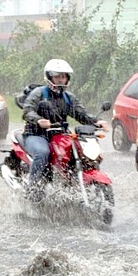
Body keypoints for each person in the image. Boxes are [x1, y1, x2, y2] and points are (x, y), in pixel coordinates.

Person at [22, 58, 108, 201]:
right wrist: (38, 120)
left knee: (81, 151)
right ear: (49, 77)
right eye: (57, 76)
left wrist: (97, 121)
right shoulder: (39, 93)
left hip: (59, 134)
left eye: (63, 76)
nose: (61, 80)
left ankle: (71, 181)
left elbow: (81, 114)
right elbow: (27, 110)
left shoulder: (68, 97)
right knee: (43, 153)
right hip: (36, 134)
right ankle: (33, 188)